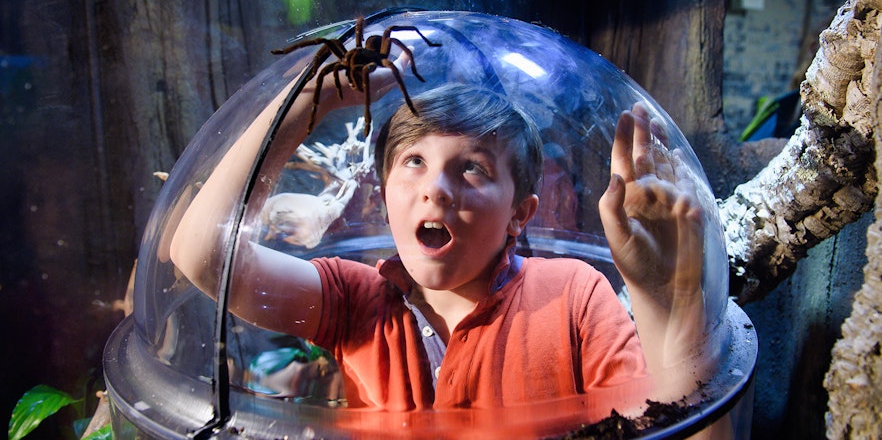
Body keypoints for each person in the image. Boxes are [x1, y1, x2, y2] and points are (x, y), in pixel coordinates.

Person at [169, 73, 707, 412]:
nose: (435, 189)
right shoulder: (355, 302)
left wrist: (667, 295)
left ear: (519, 213)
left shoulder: (574, 296)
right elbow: (201, 256)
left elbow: (663, 425)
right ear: (384, 197)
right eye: (414, 162)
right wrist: (306, 100)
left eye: (471, 168)